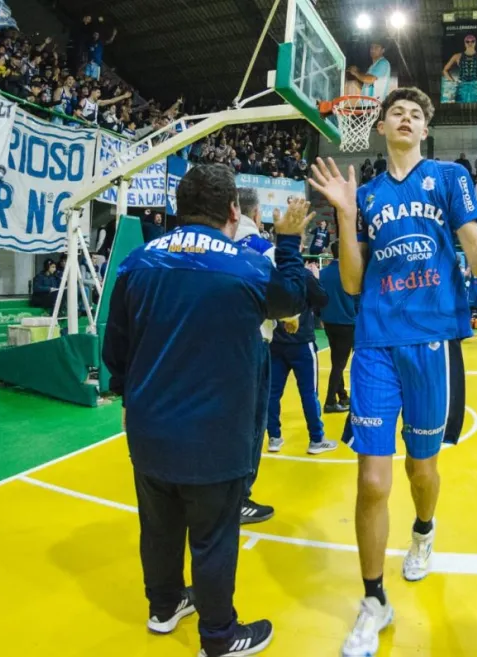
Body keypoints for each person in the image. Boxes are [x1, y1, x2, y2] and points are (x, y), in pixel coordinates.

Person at [307, 86, 477, 657]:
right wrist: (344, 213)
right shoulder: (367, 193)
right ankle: (373, 601)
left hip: (433, 340)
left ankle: (424, 530)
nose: (407, 119)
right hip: (377, 343)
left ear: (425, 129)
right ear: (381, 127)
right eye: (397, 113)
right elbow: (355, 283)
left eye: (416, 114)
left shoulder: (449, 177)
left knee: (420, 470)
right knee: (372, 480)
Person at [102, 165, 314, 657]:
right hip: (215, 434)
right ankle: (219, 637)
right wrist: (287, 243)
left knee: (158, 527)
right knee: (214, 537)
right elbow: (290, 303)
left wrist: (126, 395)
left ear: (178, 208)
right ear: (233, 212)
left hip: (150, 429)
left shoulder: (137, 262)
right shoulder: (246, 266)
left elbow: (116, 349)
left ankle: (164, 607)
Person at [234, 188, 279, 524]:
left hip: (215, 341)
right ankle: (240, 498)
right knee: (251, 422)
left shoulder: (214, 244)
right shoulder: (264, 249)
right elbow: (282, 296)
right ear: (256, 213)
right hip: (253, 342)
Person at [266, 266, 337, 455]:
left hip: (275, 342)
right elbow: (323, 299)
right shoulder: (303, 274)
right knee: (309, 393)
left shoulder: (269, 272)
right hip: (301, 342)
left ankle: (273, 437)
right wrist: (314, 279)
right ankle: (316, 438)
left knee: (272, 393)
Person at [321, 240, 358, 413]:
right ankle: (330, 401)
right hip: (347, 322)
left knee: (336, 361)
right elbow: (358, 300)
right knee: (339, 364)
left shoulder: (323, 273)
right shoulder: (349, 273)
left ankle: (342, 395)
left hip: (329, 322)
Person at [442, 33, 477, 102]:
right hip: (462, 84)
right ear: (464, 43)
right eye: (467, 41)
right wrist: (452, 82)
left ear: (475, 43)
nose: (470, 43)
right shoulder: (457, 56)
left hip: (476, 84)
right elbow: (445, 70)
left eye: (472, 41)